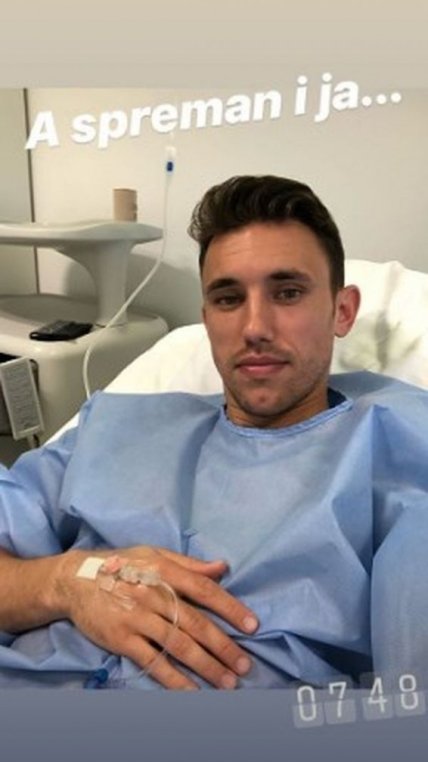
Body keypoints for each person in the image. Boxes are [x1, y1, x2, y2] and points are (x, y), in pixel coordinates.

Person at [0, 175, 427, 690]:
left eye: (288, 293)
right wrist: (68, 582)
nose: (255, 327)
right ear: (206, 318)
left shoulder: (397, 448)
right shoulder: (111, 428)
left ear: (343, 310)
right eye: (228, 299)